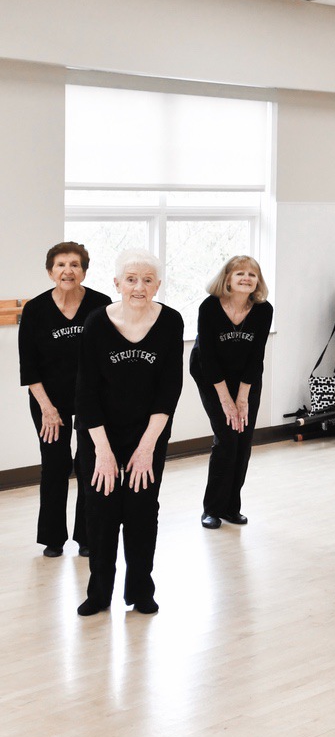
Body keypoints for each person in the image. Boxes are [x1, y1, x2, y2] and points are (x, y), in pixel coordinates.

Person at [75, 249, 184, 616]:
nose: (139, 286)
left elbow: (169, 390)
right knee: (100, 512)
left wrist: (146, 448)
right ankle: (99, 592)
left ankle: (140, 591)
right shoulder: (96, 322)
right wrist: (103, 453)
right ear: (117, 283)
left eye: (148, 279)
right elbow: (86, 391)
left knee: (141, 511)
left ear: (158, 285)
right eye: (132, 279)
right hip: (99, 435)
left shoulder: (171, 322)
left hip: (148, 433)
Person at [18, 241, 111, 558]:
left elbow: (107, 357)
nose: (68, 270)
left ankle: (87, 536)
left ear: (84, 270)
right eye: (60, 264)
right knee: (55, 466)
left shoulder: (101, 305)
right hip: (48, 401)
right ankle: (53, 538)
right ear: (50, 271)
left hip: (91, 398)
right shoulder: (35, 309)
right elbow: (28, 365)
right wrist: (46, 408)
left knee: (89, 466)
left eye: (74, 264)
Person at [190, 256, 273, 530]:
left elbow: (256, 357)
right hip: (211, 377)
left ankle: (231, 507)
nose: (246, 278)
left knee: (243, 440)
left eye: (252, 274)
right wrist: (226, 400)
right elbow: (209, 359)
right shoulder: (210, 307)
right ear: (227, 279)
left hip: (247, 380)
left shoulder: (263, 310)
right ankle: (211, 508)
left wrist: (243, 398)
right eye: (240, 273)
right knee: (226, 438)